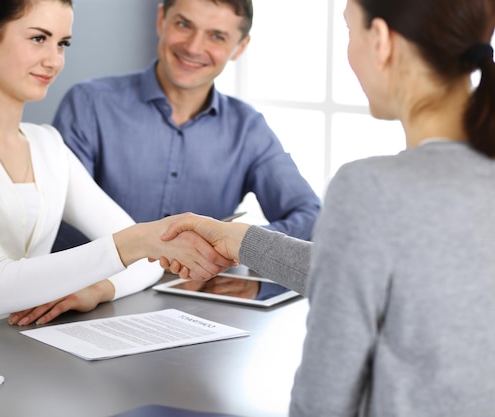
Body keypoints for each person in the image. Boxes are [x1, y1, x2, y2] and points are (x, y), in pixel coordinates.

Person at [161, 0, 495, 414]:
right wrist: (241, 241)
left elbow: (322, 400)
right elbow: (375, 276)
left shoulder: (372, 187)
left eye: (350, 30)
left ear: (382, 41)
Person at [0, 0, 234, 352]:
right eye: (38, 38)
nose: (54, 60)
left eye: (62, 43)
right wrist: (137, 241)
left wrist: (97, 289)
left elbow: (148, 265)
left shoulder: (48, 145)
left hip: (11, 358)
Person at [50, 0, 321, 252]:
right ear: (161, 20)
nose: (193, 47)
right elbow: (59, 217)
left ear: (240, 47)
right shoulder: (89, 104)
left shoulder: (248, 129)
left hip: (196, 297)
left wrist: (238, 245)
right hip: (92, 291)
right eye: (184, 25)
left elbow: (310, 217)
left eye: (217, 36)